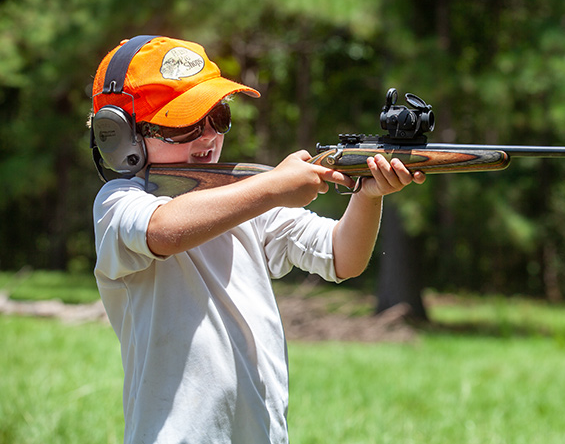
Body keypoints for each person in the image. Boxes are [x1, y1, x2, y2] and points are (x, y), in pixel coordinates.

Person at [90, 36, 425, 444]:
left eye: (218, 117)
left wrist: (367, 195)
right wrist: (273, 187)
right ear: (120, 136)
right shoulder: (119, 203)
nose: (208, 137)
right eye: (184, 125)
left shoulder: (246, 197)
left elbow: (343, 257)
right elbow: (163, 231)